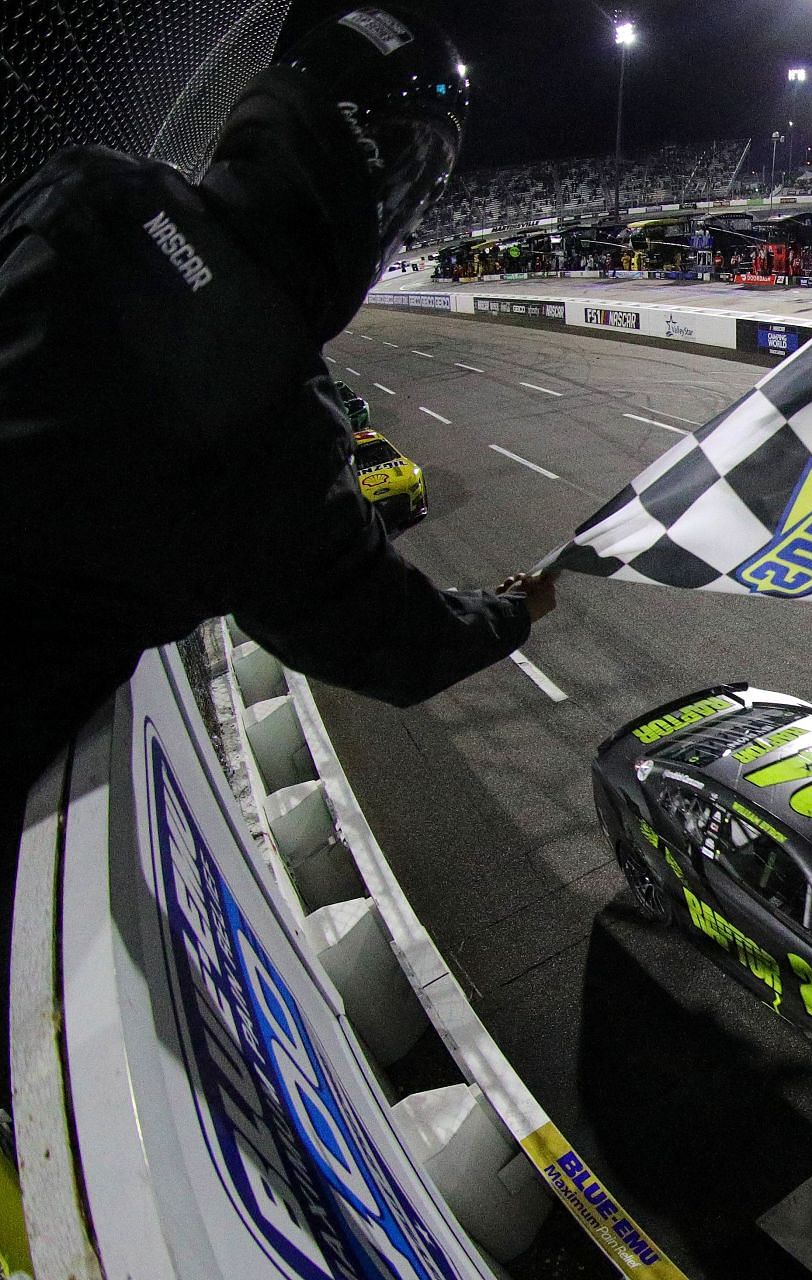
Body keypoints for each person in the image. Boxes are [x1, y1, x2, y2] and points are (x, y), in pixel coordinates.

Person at [0, 9, 555, 871]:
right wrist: (513, 610)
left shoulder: (90, 188)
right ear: (372, 174)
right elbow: (393, 642)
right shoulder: (279, 424)